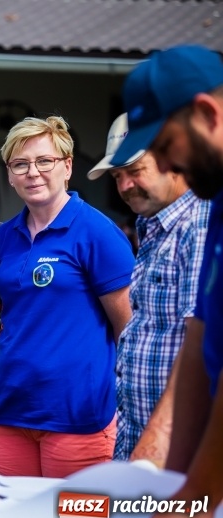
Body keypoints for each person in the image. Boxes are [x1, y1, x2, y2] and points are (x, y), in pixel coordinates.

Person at [111, 43, 223, 518]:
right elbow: (202, 337)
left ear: (205, 113)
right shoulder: (216, 200)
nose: (163, 162)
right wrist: (170, 481)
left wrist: (192, 499)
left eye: (163, 143)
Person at [0, 116, 135, 478]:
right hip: (9, 413)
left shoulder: (97, 232)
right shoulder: (5, 236)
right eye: (20, 164)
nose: (32, 172)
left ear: (67, 166)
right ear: (9, 174)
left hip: (78, 416)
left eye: (44, 161)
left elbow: (129, 329)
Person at [87, 113, 211, 466]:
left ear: (173, 161)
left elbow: (198, 344)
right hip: (141, 438)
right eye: (117, 176)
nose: (124, 185)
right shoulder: (154, 227)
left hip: (177, 446)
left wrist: (160, 436)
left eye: (135, 170)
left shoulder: (198, 226)